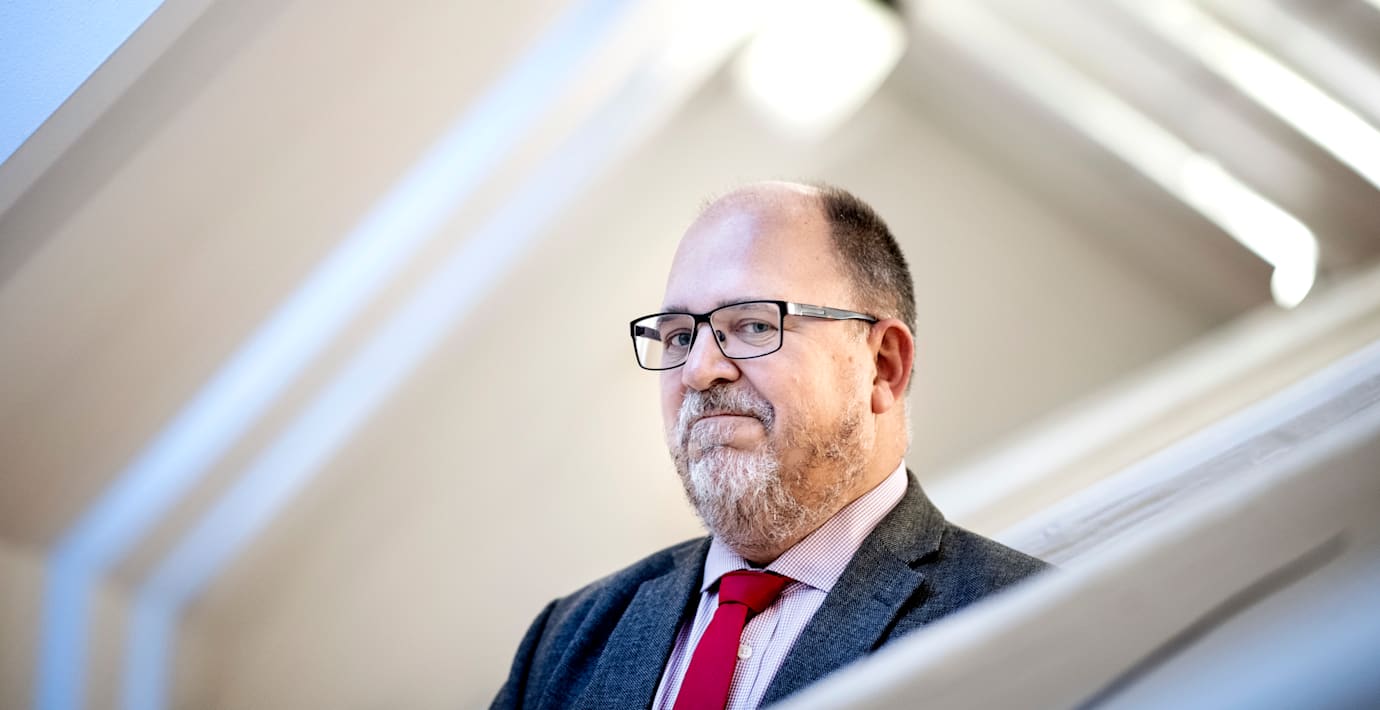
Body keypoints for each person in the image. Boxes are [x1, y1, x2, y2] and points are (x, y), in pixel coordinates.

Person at [492, 181, 1048, 710]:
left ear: (882, 366)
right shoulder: (563, 640)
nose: (698, 370)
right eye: (680, 336)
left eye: (754, 325)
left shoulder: (1027, 623)